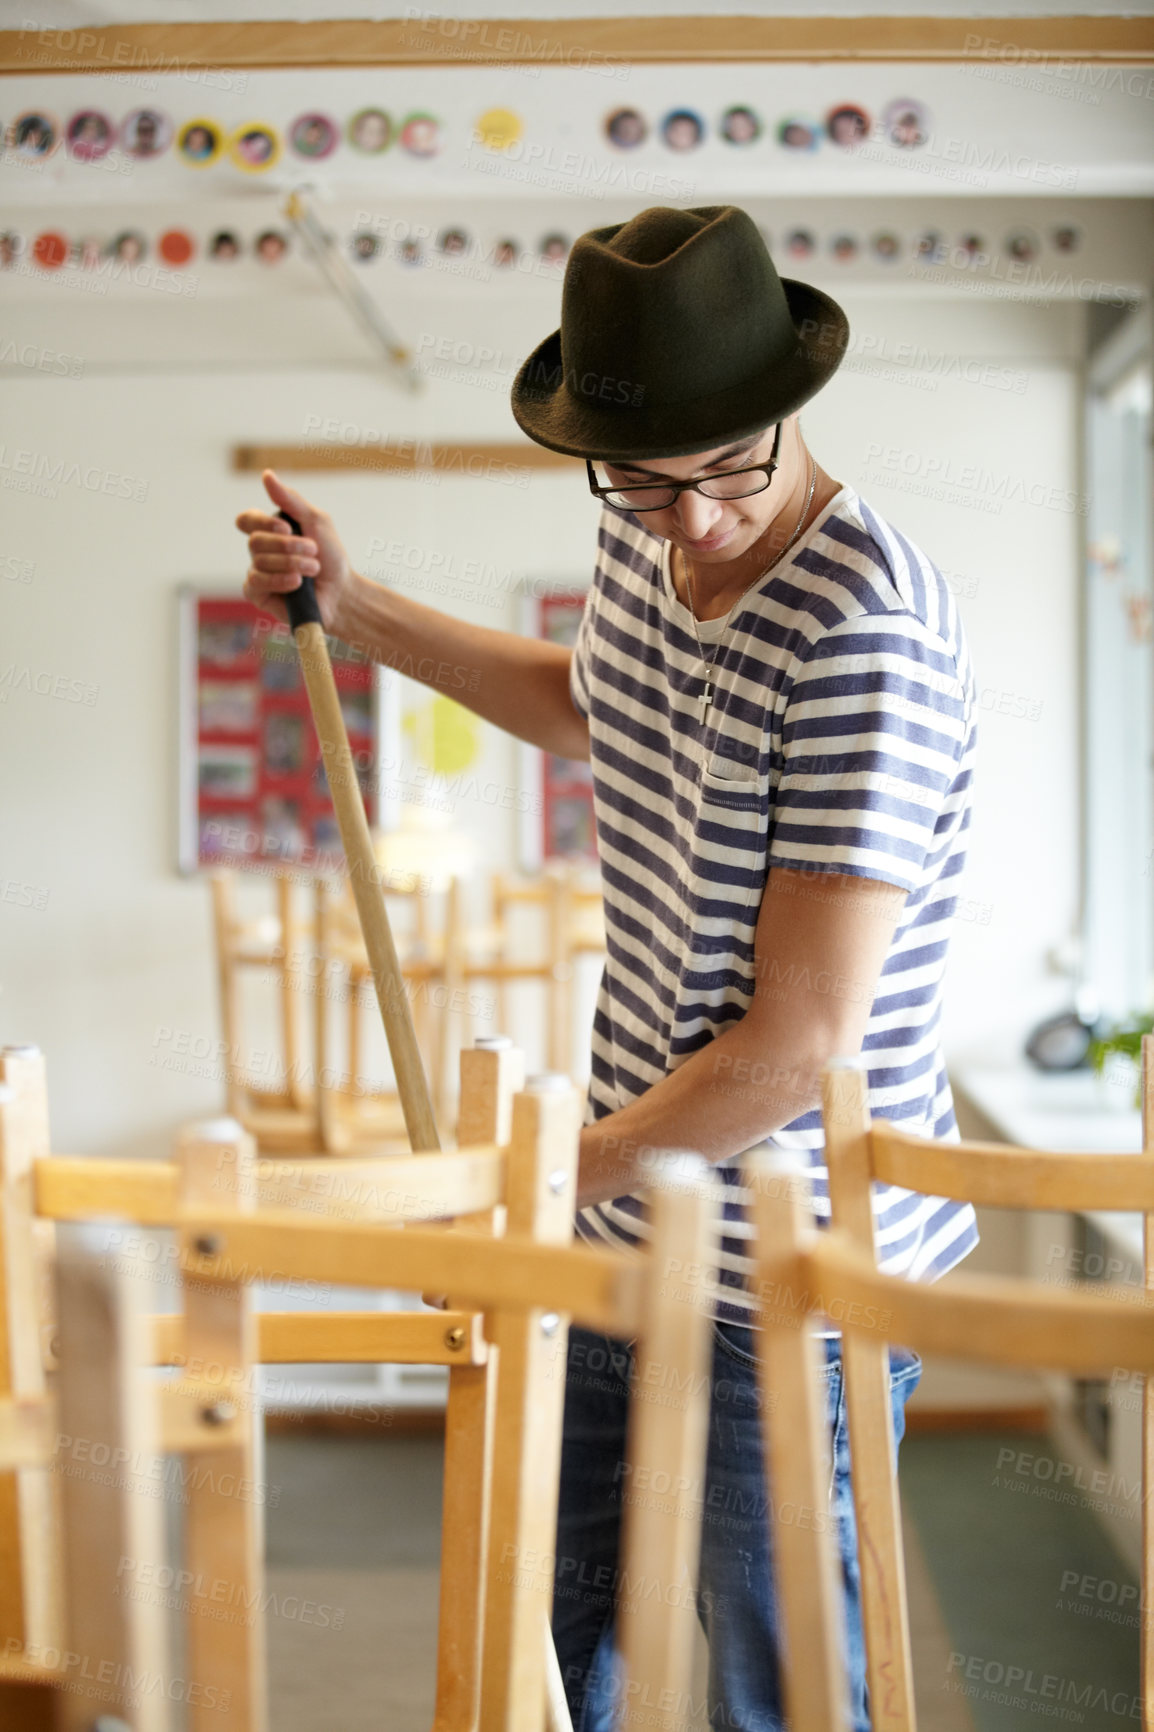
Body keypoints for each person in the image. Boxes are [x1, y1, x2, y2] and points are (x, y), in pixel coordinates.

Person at [235, 203, 980, 1732]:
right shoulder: (643, 528)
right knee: (560, 1633)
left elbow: (800, 1042)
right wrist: (353, 604)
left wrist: (542, 1182)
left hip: (795, 1246)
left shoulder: (861, 631)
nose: (691, 523)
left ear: (791, 409)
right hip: (639, 1198)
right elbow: (594, 711)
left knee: (771, 1682)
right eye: (645, 485)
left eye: (728, 472)